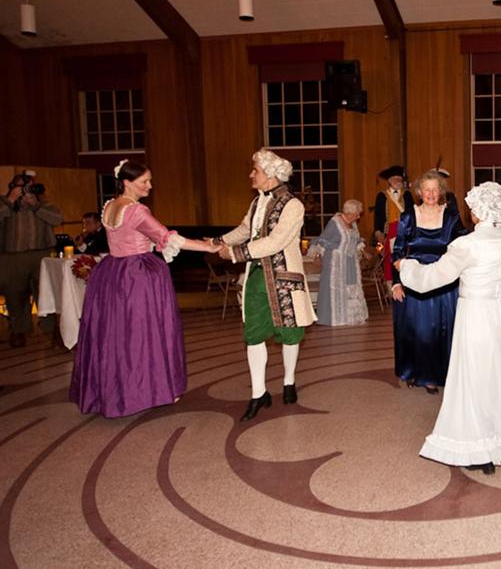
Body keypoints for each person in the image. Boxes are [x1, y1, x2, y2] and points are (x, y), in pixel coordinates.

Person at [398, 181, 501, 475]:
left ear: (478, 212)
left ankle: (476, 447)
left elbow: (432, 278)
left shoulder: (468, 244)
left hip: (475, 313)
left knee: (472, 377)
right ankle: (497, 441)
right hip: (499, 314)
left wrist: (407, 267)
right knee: (496, 375)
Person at [69, 160, 217, 418]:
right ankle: (145, 390)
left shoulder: (109, 207)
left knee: (114, 334)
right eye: (144, 182)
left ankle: (112, 390)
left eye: (149, 180)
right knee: (142, 333)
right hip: (136, 276)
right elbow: (168, 238)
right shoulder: (137, 211)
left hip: (111, 273)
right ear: (126, 182)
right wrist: (208, 247)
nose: (149, 186)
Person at [216, 149, 316, 422]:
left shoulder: (294, 205)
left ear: (270, 174)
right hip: (257, 277)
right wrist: (217, 241)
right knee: (254, 333)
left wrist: (236, 253)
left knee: (290, 333)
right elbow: (245, 230)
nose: (251, 174)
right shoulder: (256, 203)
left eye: (255, 170)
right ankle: (259, 393)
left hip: (284, 278)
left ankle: (289, 382)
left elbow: (276, 242)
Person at [391, 170, 466, 392]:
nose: (431, 193)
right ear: (419, 192)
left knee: (444, 330)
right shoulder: (407, 217)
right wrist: (396, 283)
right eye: (427, 189)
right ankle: (419, 373)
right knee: (419, 331)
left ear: (441, 191)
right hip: (415, 283)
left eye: (435, 189)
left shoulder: (451, 216)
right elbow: (397, 252)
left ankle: (444, 374)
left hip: (445, 283)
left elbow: (462, 248)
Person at [0, 170, 63, 348]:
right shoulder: (4, 203)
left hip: (42, 255)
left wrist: (36, 206)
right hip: (12, 256)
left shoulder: (43, 204)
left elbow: (57, 219)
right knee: (15, 296)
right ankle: (18, 331)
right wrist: (11, 200)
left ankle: (52, 332)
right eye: (22, 187)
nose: (27, 191)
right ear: (13, 187)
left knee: (46, 293)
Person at [309, 199, 368, 327]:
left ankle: (350, 318)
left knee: (351, 285)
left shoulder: (353, 224)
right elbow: (322, 239)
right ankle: (331, 318)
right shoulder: (335, 223)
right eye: (357, 214)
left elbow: (356, 240)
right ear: (350, 212)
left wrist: (363, 251)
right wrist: (317, 255)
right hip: (335, 262)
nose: (358, 217)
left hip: (351, 261)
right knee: (335, 288)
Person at [373, 166, 414, 282]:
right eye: (395, 179)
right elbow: (378, 215)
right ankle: (390, 285)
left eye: (399, 179)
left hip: (404, 231)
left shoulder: (407, 195)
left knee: (405, 257)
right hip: (388, 232)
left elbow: (411, 214)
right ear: (389, 181)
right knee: (388, 259)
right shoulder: (382, 195)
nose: (398, 181)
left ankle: (405, 283)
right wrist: (378, 232)